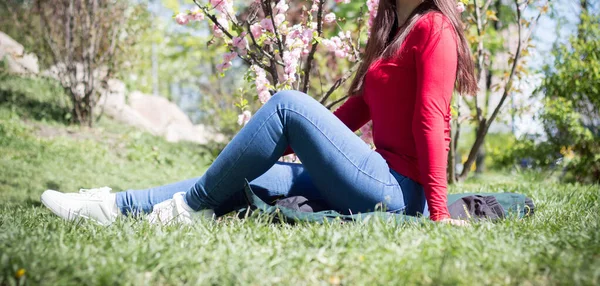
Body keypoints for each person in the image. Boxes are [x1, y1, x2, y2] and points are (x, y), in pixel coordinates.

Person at [41, 0, 477, 226]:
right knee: (251, 175)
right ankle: (113, 207)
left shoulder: (434, 28)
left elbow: (432, 119)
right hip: (376, 176)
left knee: (289, 103)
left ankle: (186, 212)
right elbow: (360, 107)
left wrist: (439, 213)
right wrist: (288, 145)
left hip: (401, 192)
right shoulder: (393, 33)